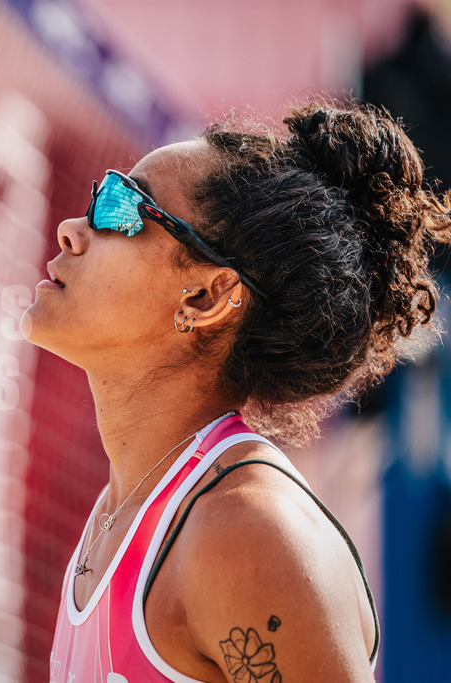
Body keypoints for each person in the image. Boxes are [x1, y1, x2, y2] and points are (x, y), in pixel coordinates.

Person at [22, 100, 451, 682]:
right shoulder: (125, 506)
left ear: (205, 297)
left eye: (120, 206)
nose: (72, 230)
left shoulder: (244, 532)